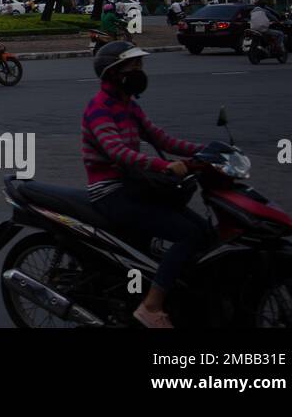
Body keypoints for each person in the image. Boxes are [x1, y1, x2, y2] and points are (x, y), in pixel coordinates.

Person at [82, 42, 209, 328]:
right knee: (188, 234)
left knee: (204, 231)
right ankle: (150, 307)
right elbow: (116, 151)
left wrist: (206, 152)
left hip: (134, 186)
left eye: (140, 66)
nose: (140, 72)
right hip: (111, 193)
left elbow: (161, 139)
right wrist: (164, 166)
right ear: (114, 73)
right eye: (134, 67)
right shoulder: (99, 108)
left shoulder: (128, 105)